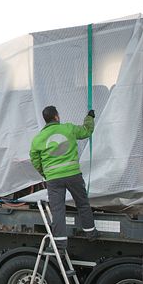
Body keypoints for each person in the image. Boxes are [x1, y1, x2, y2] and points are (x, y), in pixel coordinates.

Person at [29, 106, 96, 250]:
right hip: (73, 175)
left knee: (58, 210)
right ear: (57, 117)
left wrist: (45, 172)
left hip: (53, 179)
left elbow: (34, 159)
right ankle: (91, 233)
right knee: (82, 204)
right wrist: (90, 117)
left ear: (45, 120)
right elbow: (86, 131)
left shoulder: (38, 139)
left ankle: (60, 243)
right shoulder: (68, 129)